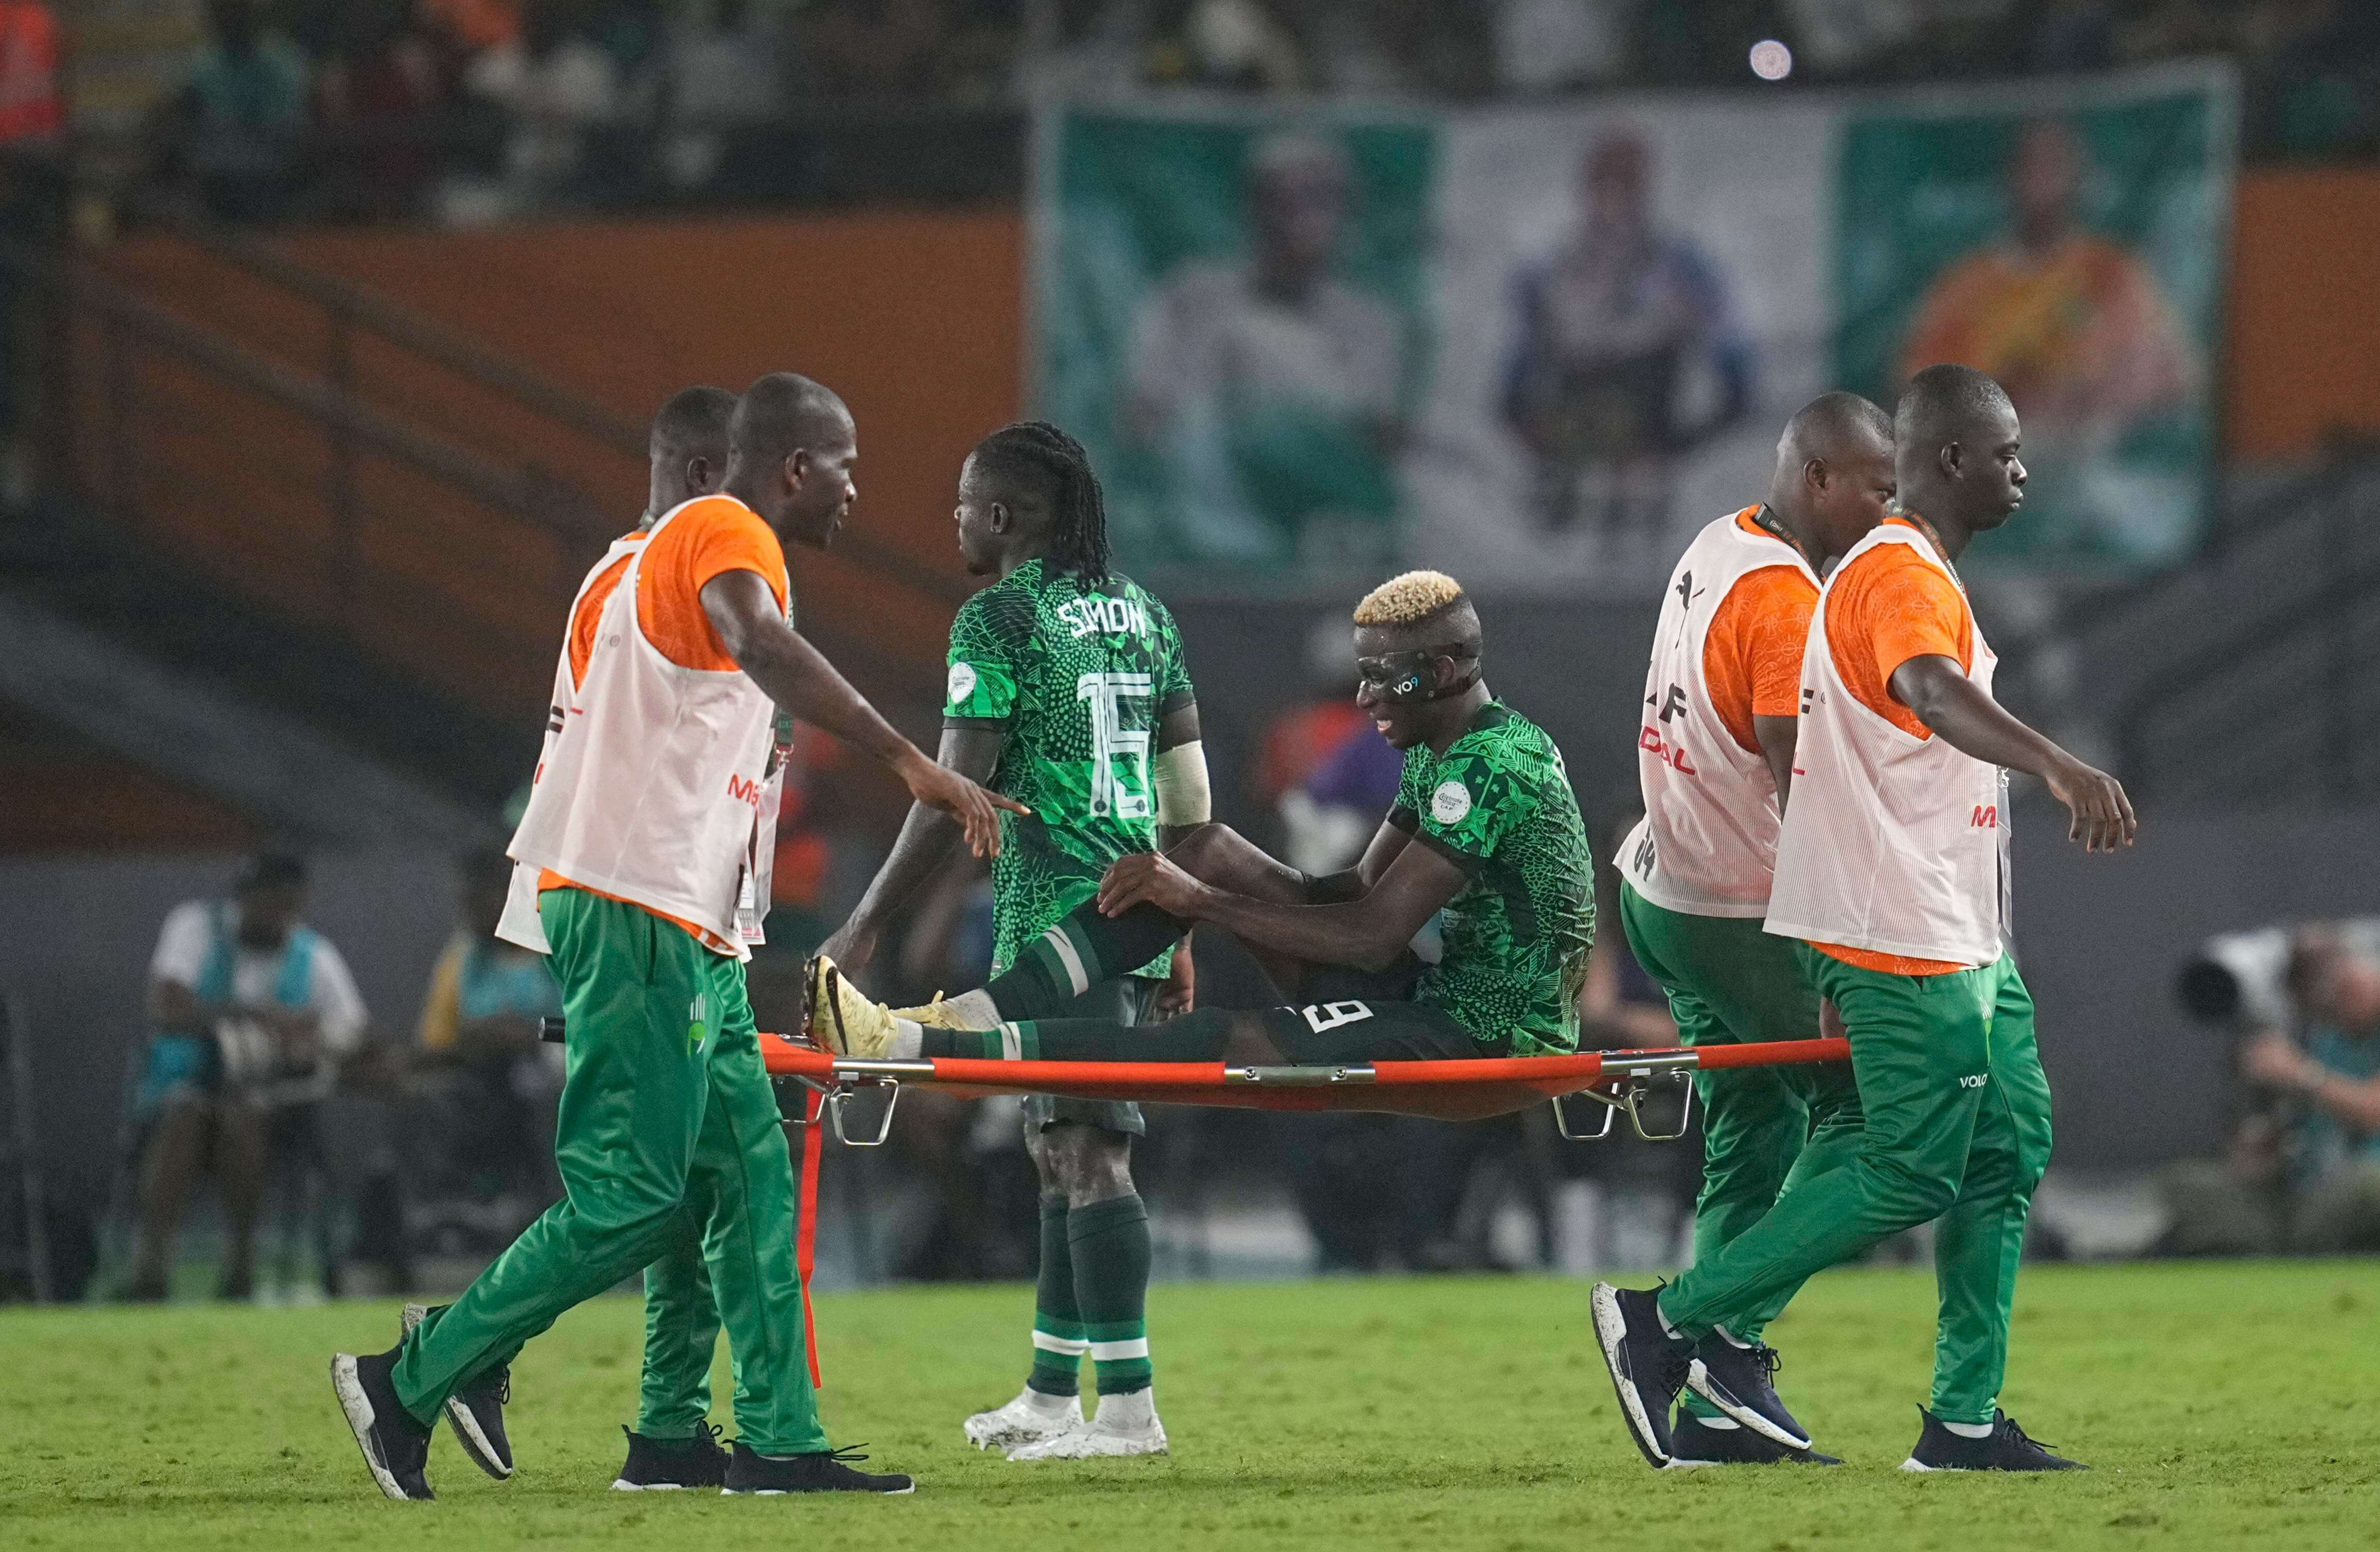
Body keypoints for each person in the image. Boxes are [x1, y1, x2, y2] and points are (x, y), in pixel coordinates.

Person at [331, 372, 1022, 1501]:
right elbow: (754, 637)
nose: (858, 489)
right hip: (637, 902)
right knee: (635, 1195)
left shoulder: (631, 565)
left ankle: (731, 1436)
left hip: (683, 916)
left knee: (745, 1174)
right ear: (792, 466)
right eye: (845, 464)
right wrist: (909, 758)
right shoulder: (716, 528)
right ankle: (414, 1373)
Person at [1590, 364, 2137, 1474]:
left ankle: (1962, 1419)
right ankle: (1679, 1324)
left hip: (1937, 917)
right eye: (2007, 451)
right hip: (1871, 921)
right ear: (1940, 464)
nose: (2025, 470)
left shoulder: (1745, 548)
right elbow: (1918, 697)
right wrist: (2057, 762)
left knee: (2003, 1142)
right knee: (1896, 1155)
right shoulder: (1875, 578)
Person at [815, 420, 1205, 1462]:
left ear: (1001, 515)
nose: (952, 518)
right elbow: (1191, 797)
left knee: (1086, 1149)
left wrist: (864, 923)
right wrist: (1178, 926)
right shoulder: (1147, 615)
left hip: (1064, 922)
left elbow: (953, 797)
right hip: (1135, 908)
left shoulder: (998, 618)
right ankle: (1049, 1390)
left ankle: (1125, 1408)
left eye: (961, 500)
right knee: (1055, 1147)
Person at [810, 568, 1595, 1080]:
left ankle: (920, 1049)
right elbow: (1352, 890)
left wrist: (1201, 907)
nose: (1365, 698)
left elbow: (1369, 936)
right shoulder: (1440, 747)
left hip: (1489, 1034)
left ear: (1453, 666)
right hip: (1429, 989)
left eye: (1387, 675)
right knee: (1208, 846)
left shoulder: (1497, 764)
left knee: (1219, 1037)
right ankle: (967, 1014)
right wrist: (1194, 895)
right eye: (1362, 675)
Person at [1610, 392, 1897, 1467]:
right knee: (1883, 1112)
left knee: (1756, 1129)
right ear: (1820, 477)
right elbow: (1802, 784)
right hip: (1741, 909)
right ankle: (1689, 1326)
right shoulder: (1788, 604)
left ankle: (1721, 1405)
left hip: (1664, 887)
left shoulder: (1719, 538)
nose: (1889, 506)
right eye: (1878, 484)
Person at [1896, 119, 2194, 556]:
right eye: (2032, 167)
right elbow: (1915, 390)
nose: (2045, 182)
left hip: (2095, 462)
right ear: (2010, 178)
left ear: (2080, 178)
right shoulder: (1967, 284)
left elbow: (2173, 376)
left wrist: (2090, 395)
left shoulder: (2110, 272)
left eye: (2057, 165)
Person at [1124, 133, 1408, 566]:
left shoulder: (1369, 323)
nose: (1307, 215)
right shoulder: (1189, 298)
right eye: (1288, 198)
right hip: (1203, 535)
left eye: (1325, 198)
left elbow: (1377, 445)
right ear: (1255, 208)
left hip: (1324, 541)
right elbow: (1144, 418)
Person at [126, 852, 367, 1301]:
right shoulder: (196, 928)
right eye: (267, 902)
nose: (276, 915)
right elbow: (166, 1006)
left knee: (244, 1118)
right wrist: (244, 1020)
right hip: (186, 1086)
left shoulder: (312, 954)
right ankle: (151, 1267)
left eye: (287, 905)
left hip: (269, 1105)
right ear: (244, 897)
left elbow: (351, 1029)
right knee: (186, 1115)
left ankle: (240, 1263)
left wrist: (304, 1039)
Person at [1501, 130, 1753, 541]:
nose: (1613, 196)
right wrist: (1519, 409)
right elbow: (1523, 346)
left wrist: (1709, 418)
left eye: (1625, 181)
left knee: (1638, 528)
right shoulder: (1553, 267)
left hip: (1648, 412)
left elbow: (1725, 340)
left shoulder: (1679, 264)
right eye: (1603, 180)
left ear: (1643, 187)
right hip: (1574, 413)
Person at [413, 849, 565, 1228]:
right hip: (483, 1079)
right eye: (464, 902)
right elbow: (438, 1041)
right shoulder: (462, 957)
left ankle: (560, 1207)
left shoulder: (557, 947)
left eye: (478, 901)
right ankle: (451, 1211)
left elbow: (592, 1023)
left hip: (558, 1072)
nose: (469, 914)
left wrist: (531, 1033)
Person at [2233, 926, 2380, 1251]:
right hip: (2314, 1186)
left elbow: (2374, 1112)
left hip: (2364, 1186)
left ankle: (2286, 1245)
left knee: (2369, 1186)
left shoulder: (2308, 1063)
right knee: (2189, 1186)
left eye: (2351, 982)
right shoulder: (2328, 1039)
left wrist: (2299, 1073)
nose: (2350, 996)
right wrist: (2268, 1143)